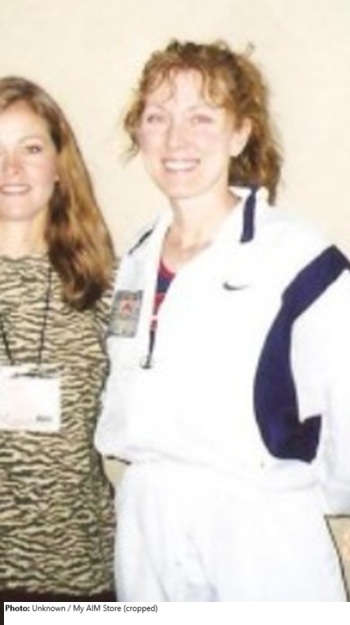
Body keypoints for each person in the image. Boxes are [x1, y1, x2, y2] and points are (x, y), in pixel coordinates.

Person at [95, 40, 350, 602]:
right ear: (139, 132)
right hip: (147, 522)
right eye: (157, 117)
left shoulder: (296, 259)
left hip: (257, 530)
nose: (176, 139)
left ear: (240, 133)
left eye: (201, 118)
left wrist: (301, 495)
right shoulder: (136, 257)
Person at [0, 76, 116, 601]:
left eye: (31, 148)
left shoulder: (107, 288)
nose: (11, 169)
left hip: (80, 574)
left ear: (58, 165)